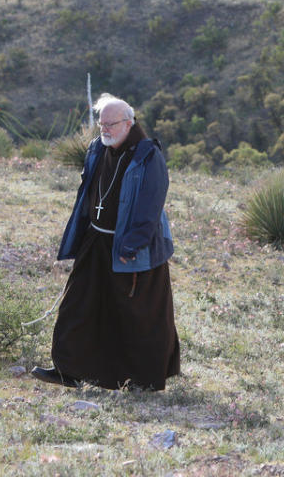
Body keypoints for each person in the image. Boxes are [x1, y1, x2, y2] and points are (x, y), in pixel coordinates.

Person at [31, 94, 180, 390]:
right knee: (77, 305)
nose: (105, 130)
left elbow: (150, 206)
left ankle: (144, 381)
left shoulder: (148, 156)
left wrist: (131, 245)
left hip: (133, 249)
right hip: (96, 241)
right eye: (102, 124)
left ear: (128, 123)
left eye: (111, 124)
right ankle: (68, 370)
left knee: (137, 315)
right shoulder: (98, 149)